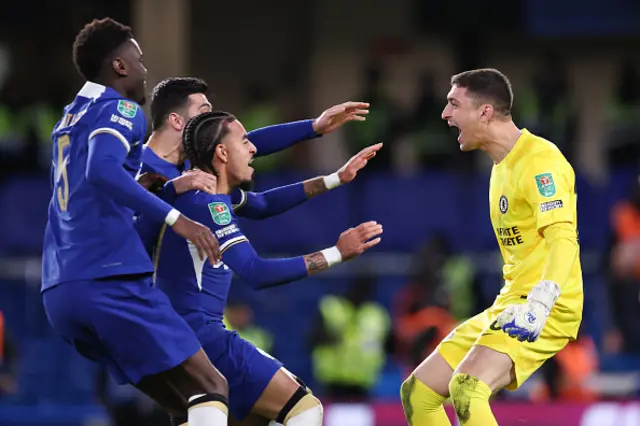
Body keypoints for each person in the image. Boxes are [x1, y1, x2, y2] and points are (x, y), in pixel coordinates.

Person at [41, 18, 231, 426]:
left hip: (60, 290)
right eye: (139, 60)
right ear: (120, 67)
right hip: (110, 280)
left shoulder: (70, 118)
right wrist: (178, 218)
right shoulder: (122, 108)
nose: (146, 69)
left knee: (185, 405)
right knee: (212, 386)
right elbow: (101, 171)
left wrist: (160, 187)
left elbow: (93, 188)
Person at [152, 111, 383, 426]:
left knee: (256, 419)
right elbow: (255, 272)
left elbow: (262, 204)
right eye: (245, 140)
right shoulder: (210, 206)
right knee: (304, 408)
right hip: (202, 337)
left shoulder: (203, 197)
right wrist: (337, 253)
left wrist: (336, 178)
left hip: (176, 340)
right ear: (221, 152)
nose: (253, 149)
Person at [400, 68, 582, 426]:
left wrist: (541, 302)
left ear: (484, 112)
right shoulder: (500, 166)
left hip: (547, 304)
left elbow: (563, 238)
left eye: (454, 104)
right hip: (509, 303)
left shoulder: (539, 161)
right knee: (418, 393)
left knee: (467, 388)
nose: (445, 114)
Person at [137, 76, 371, 257]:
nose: (212, 121)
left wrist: (314, 128)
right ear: (177, 121)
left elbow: (261, 200)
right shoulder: (131, 169)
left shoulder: (194, 168)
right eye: (204, 113)